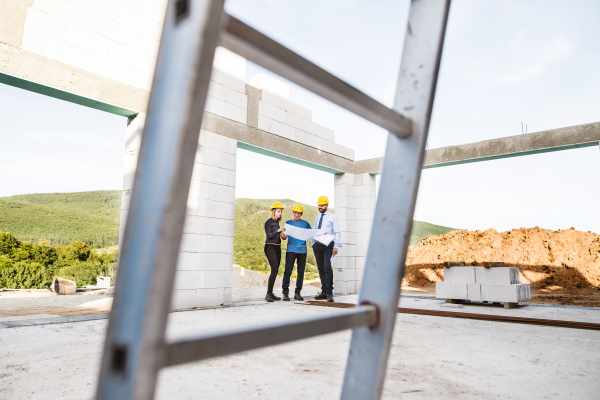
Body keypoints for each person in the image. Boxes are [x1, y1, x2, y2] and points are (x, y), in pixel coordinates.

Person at [312, 196, 341, 302]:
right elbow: (315, 232)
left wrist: (336, 246)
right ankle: (323, 292)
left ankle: (329, 293)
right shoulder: (317, 218)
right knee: (321, 269)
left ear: (327, 206)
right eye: (319, 205)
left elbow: (337, 232)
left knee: (327, 268)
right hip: (318, 246)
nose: (320, 207)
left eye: (322, 205)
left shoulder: (333, 217)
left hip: (328, 245)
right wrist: (313, 245)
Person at [281, 204, 311, 301]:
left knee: (300, 272)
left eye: (299, 213)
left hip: (302, 251)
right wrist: (282, 235)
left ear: (301, 214)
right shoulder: (288, 223)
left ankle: (297, 293)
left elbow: (311, 233)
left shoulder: (305, 223)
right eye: (295, 212)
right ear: (293, 212)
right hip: (291, 250)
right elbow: (284, 237)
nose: (297, 215)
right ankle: (285, 293)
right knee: (288, 271)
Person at [264, 202, 286, 302]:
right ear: (273, 212)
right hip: (270, 247)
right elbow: (269, 235)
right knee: (274, 269)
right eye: (278, 211)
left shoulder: (277, 223)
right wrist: (278, 231)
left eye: (281, 212)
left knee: (276, 270)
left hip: (277, 247)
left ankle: (271, 292)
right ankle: (268, 294)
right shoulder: (268, 222)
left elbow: (277, 235)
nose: (280, 213)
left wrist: (282, 236)